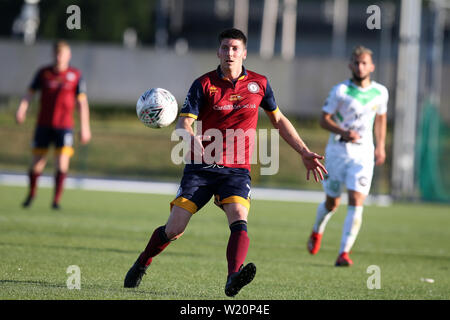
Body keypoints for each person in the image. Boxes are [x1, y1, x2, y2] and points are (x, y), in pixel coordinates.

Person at [124, 28, 327, 296]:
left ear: (244, 53)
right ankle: (142, 262)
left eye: (234, 48)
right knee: (174, 228)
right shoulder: (203, 84)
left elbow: (278, 120)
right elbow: (185, 122)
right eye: (224, 48)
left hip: (236, 171)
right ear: (218, 52)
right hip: (201, 169)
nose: (229, 53)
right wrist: (189, 137)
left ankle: (233, 278)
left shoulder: (260, 84)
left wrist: (303, 150)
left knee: (239, 217)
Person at [307, 45, 388, 266]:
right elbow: (324, 120)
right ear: (350, 65)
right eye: (356, 62)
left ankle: (343, 253)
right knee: (332, 203)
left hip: (363, 154)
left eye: (364, 63)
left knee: (356, 200)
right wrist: (343, 132)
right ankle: (317, 230)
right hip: (337, 152)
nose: (360, 67)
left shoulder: (380, 92)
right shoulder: (340, 91)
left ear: (371, 66)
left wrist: (380, 146)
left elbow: (380, 119)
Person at [16, 40, 91, 210]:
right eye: (57, 54)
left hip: (64, 126)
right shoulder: (44, 73)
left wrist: (85, 127)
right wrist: (21, 109)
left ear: (68, 56)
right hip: (43, 124)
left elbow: (82, 103)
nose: (59, 57)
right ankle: (32, 194)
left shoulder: (75, 75)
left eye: (62, 54)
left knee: (62, 163)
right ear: (53, 54)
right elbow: (29, 93)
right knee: (37, 163)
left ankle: (56, 200)